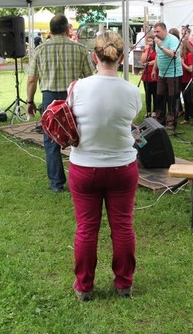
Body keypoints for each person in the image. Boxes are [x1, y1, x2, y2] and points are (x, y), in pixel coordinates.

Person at [68, 31, 142, 301]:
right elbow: (130, 118)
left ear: (94, 56)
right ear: (121, 58)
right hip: (122, 167)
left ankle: (84, 286)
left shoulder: (77, 88)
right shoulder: (132, 91)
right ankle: (124, 284)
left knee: (86, 228)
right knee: (122, 226)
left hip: (84, 166)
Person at [26, 14, 94, 192]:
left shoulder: (39, 50)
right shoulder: (80, 49)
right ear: (67, 29)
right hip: (74, 97)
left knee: (51, 141)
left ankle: (56, 184)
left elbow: (32, 79)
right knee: (80, 137)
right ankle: (83, 179)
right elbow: (90, 77)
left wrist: (30, 101)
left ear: (50, 30)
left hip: (50, 98)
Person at [152, 22, 182, 130]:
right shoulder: (157, 40)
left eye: (158, 31)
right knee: (160, 96)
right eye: (154, 31)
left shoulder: (173, 40)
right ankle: (160, 119)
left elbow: (173, 55)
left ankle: (171, 121)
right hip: (162, 73)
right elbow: (158, 55)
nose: (155, 34)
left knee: (172, 98)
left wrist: (161, 46)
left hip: (173, 74)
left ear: (164, 30)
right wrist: (154, 69)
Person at [139, 33, 158, 117]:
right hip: (146, 74)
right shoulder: (146, 49)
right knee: (147, 93)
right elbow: (143, 60)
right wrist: (146, 50)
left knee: (155, 93)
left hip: (154, 72)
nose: (149, 42)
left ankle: (155, 110)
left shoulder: (157, 49)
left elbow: (157, 59)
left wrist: (149, 63)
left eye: (151, 41)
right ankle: (148, 110)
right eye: (148, 41)